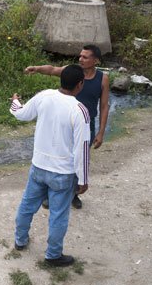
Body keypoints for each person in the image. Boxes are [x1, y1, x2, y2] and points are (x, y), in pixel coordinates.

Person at [10, 64, 90, 267]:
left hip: (38, 167)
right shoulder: (80, 110)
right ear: (80, 84)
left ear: (61, 79)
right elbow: (82, 148)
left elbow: (21, 114)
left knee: (27, 206)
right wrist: (83, 179)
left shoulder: (44, 96)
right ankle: (53, 255)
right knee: (58, 215)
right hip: (63, 174)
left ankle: (20, 241)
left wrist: (15, 102)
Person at [24, 44, 109, 209]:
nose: (80, 59)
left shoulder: (102, 78)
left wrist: (101, 132)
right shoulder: (72, 71)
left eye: (85, 57)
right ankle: (51, 193)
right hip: (65, 124)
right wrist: (37, 68)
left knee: (79, 159)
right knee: (59, 158)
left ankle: (73, 193)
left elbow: (104, 106)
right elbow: (52, 69)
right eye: (80, 56)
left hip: (86, 125)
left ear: (96, 60)